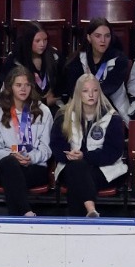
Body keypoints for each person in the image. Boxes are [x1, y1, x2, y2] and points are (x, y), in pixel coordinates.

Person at [52, 74, 127, 218]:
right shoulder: (64, 115)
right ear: (78, 93)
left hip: (104, 170)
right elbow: (56, 145)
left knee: (78, 176)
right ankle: (91, 210)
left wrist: (85, 156)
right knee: (77, 168)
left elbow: (114, 151)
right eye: (86, 91)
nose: (91, 95)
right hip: (71, 165)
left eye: (95, 90)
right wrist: (68, 155)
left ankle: (76, 224)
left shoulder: (112, 117)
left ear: (100, 92)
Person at [0, 66, 52, 217]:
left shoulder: (43, 111)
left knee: (12, 178)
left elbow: (46, 149)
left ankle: (17, 218)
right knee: (10, 164)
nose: (23, 89)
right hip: (7, 166)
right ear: (10, 88)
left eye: (27, 85)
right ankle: (26, 211)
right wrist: (13, 155)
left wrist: (31, 158)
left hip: (34, 167)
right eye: (18, 85)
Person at [60, 21, 131, 119]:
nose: (103, 40)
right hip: (81, 104)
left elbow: (110, 87)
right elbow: (73, 88)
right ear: (89, 38)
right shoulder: (78, 58)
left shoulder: (119, 59)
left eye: (107, 36)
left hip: (112, 104)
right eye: (98, 36)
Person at [1, 23, 63, 109]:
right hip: (23, 106)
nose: (42, 44)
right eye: (37, 41)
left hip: (52, 106)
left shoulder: (54, 56)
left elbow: (61, 85)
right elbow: (10, 90)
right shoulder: (14, 61)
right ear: (28, 41)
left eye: (45, 40)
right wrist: (43, 102)